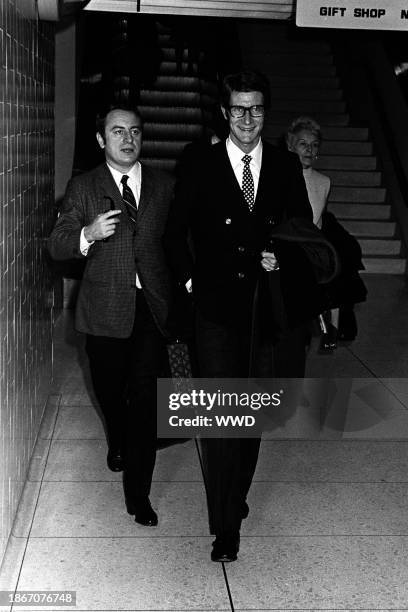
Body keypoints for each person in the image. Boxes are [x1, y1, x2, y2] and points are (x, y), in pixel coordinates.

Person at [163, 71, 313, 562]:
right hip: (215, 310)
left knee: (250, 418)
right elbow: (174, 233)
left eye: (257, 109)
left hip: (263, 310)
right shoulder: (200, 162)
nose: (248, 119)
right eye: (239, 109)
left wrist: (280, 259)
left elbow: (302, 234)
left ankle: (234, 495)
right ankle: (226, 526)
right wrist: (190, 282)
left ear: (265, 113)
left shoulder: (287, 165)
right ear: (224, 113)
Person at [48, 105, 174, 527]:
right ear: (102, 140)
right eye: (117, 131)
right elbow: (58, 244)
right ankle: (116, 435)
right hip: (103, 309)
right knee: (109, 389)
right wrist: (88, 234)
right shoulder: (83, 187)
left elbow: (178, 242)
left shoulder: (164, 185)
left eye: (135, 131)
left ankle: (139, 496)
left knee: (146, 400)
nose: (128, 139)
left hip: (150, 308)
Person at [286, 116, 367, 351]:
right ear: (290, 146)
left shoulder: (324, 181)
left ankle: (331, 327)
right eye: (303, 144)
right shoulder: (280, 177)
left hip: (313, 248)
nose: (309, 150)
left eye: (314, 145)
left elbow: (319, 218)